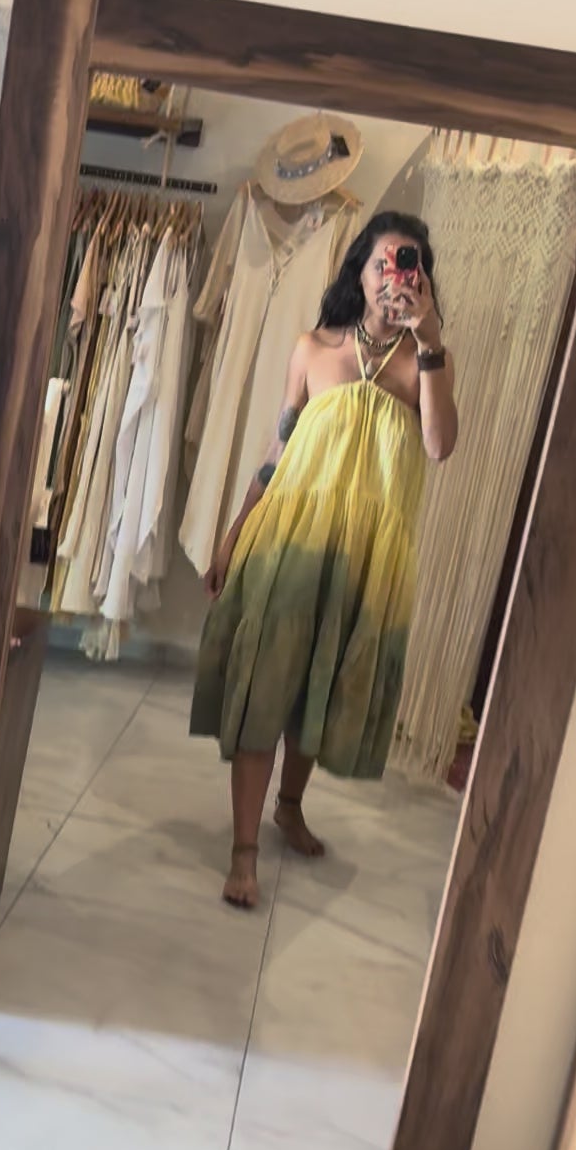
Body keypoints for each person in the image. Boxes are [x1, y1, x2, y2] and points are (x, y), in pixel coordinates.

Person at [190, 211, 458, 907]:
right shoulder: (313, 349)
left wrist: (430, 342)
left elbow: (439, 447)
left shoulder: (424, 364)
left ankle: (289, 807)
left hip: (366, 559)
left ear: (424, 281)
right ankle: (244, 853)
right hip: (289, 541)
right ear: (359, 273)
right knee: (265, 689)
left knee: (321, 688)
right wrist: (233, 534)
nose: (393, 277)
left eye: (408, 264)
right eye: (382, 262)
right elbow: (278, 451)